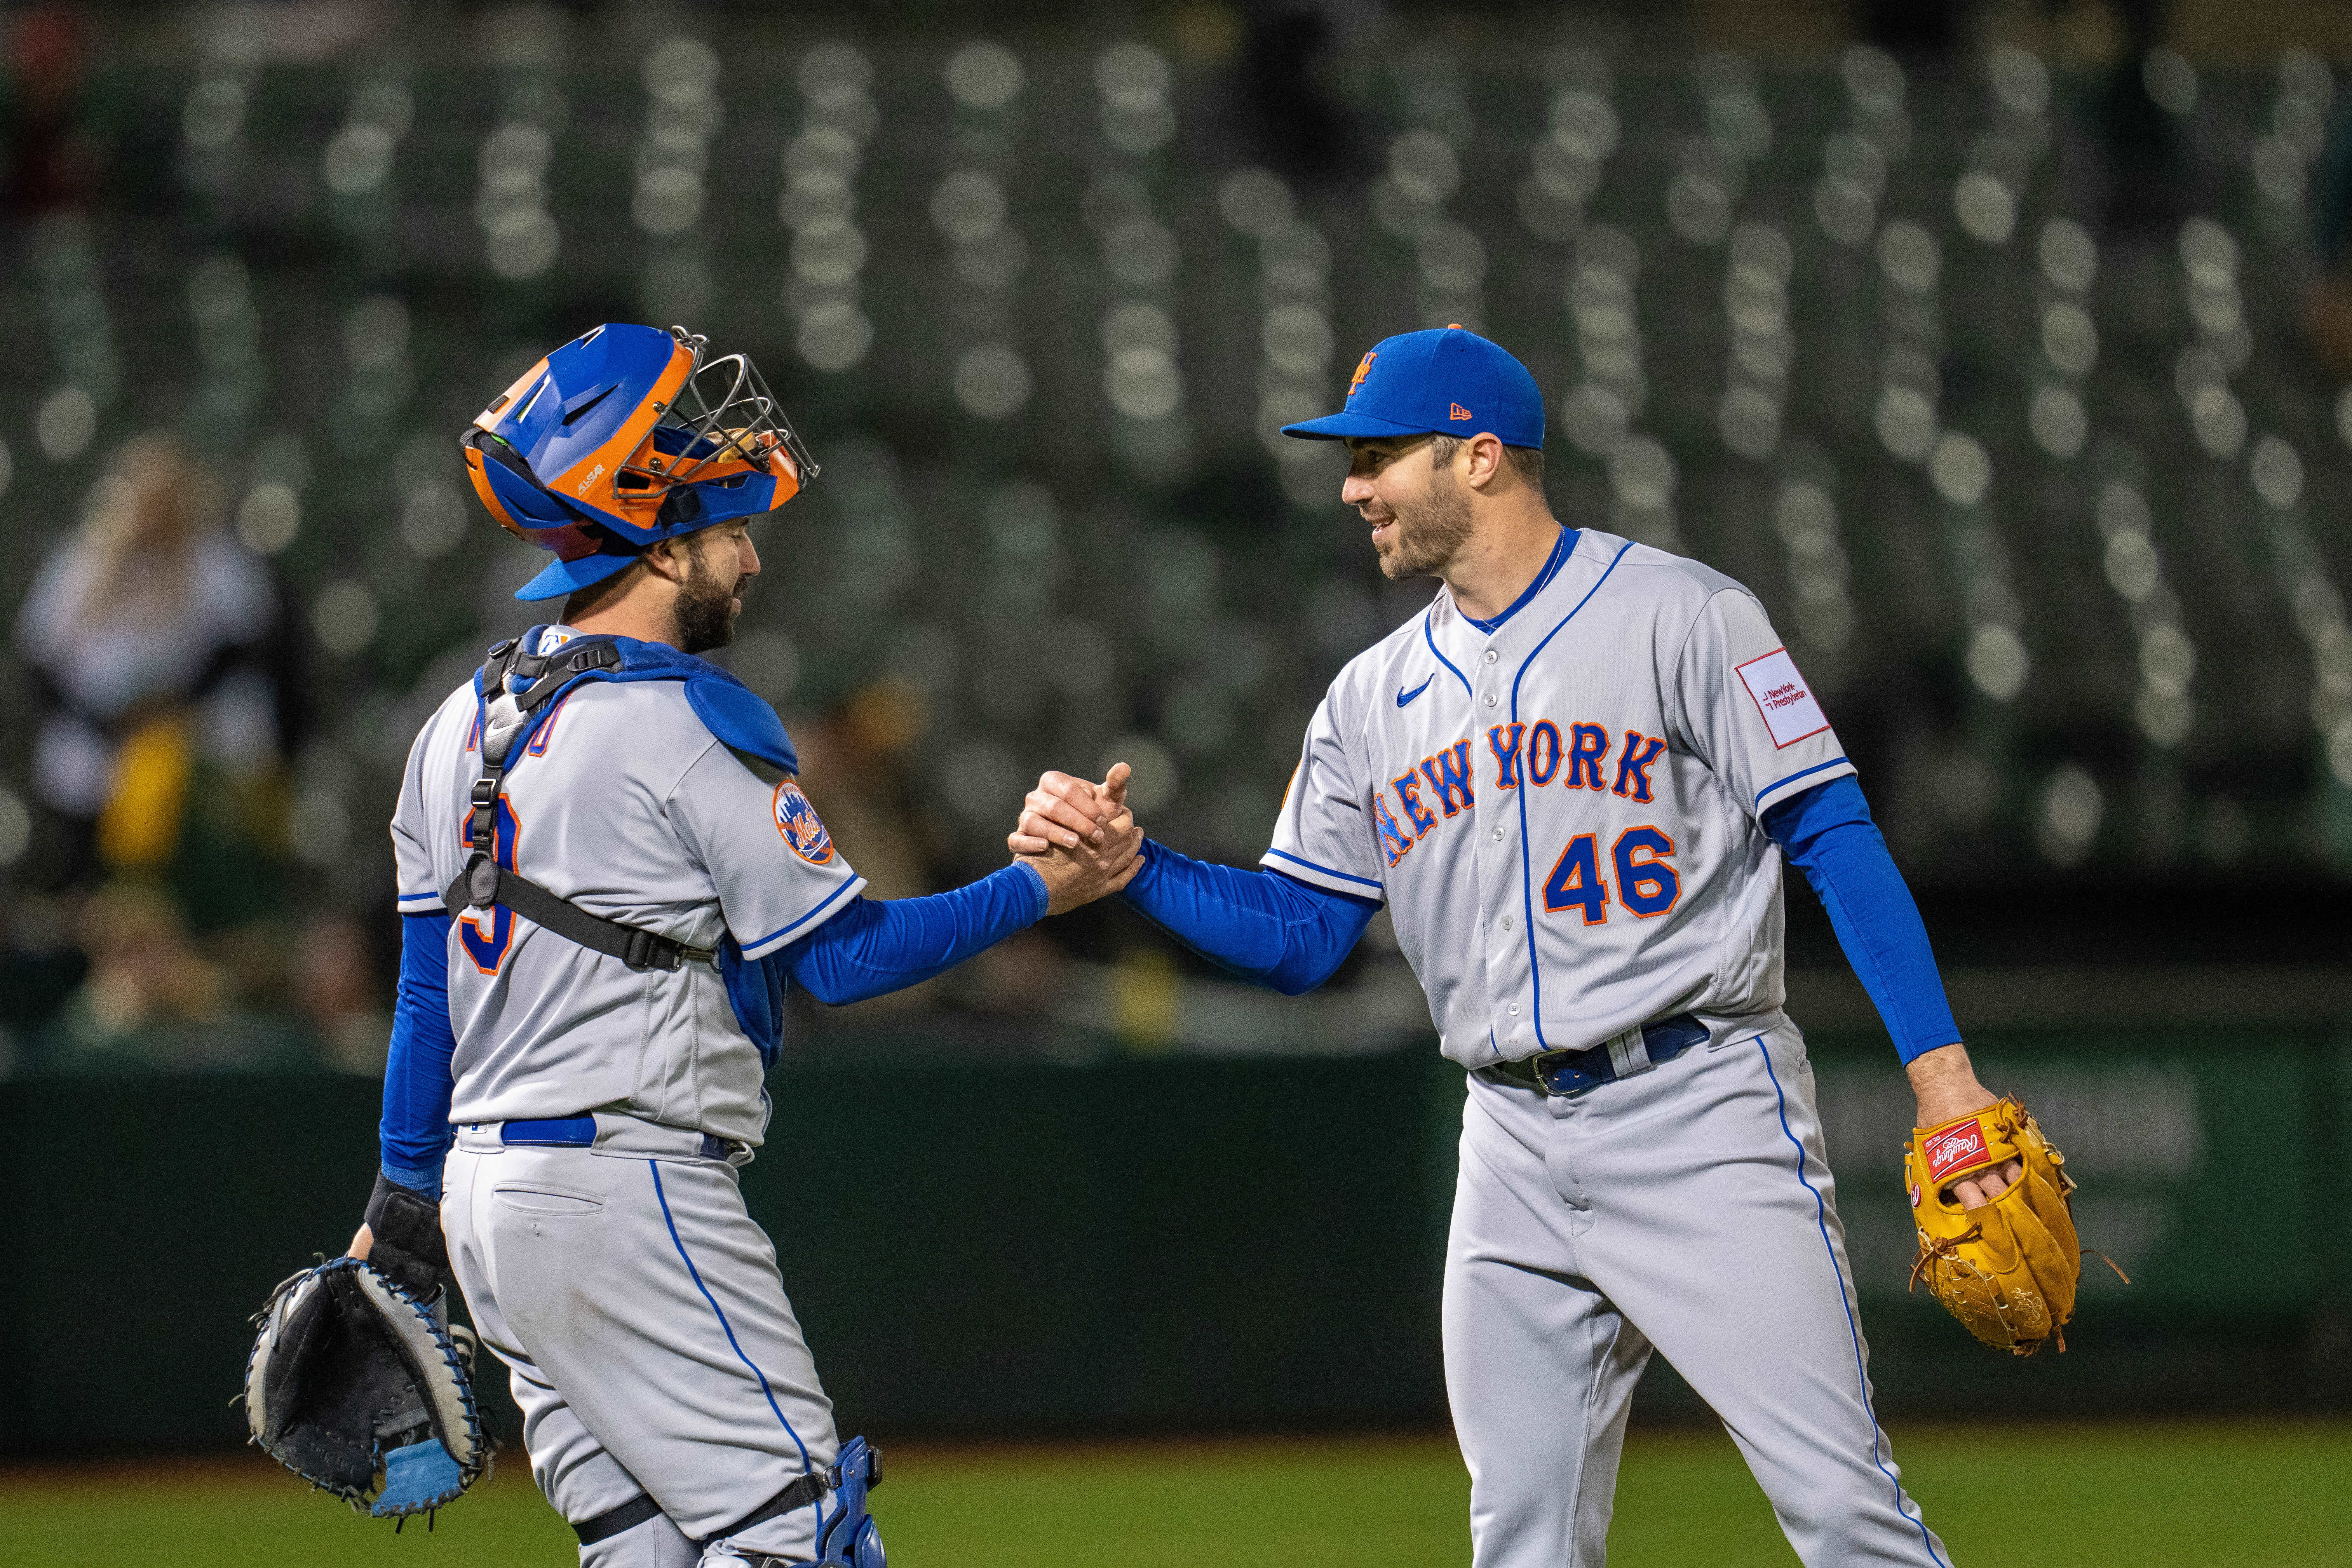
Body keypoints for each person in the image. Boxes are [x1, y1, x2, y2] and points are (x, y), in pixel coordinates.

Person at [1015, 326, 2029, 1568]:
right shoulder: (1368, 698)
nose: (1350, 488)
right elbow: (1299, 936)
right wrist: (1138, 868)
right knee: (1524, 1541)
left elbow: (1836, 834)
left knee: (1845, 1516)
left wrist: (1942, 1077)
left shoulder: (1684, 613)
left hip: (1702, 1105)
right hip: (1508, 1141)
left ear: (1480, 456)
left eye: (1378, 456)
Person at [350, 324, 1139, 1568]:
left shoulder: (456, 723)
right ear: (660, 539)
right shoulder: (682, 725)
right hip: (625, 1187)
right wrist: (1039, 886)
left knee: (648, 1551)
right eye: (727, 528)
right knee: (802, 1540)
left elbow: (422, 996)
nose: (751, 555)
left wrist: (401, 1205)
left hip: (487, 1206)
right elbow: (847, 959)